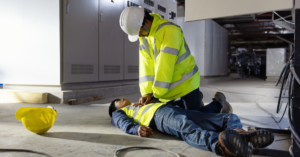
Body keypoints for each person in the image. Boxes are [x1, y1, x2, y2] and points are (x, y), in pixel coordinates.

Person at [119, 7, 233, 113]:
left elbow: (165, 65)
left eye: (139, 32)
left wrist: (155, 96)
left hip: (186, 82)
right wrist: (147, 93)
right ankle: (196, 100)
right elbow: (145, 67)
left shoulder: (170, 30)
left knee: (195, 118)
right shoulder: (144, 37)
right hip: (167, 88)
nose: (140, 36)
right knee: (172, 113)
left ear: (146, 23)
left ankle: (220, 104)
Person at [108, 93, 274, 157]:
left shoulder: (140, 103)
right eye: (119, 100)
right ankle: (220, 145)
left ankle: (240, 135)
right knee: (188, 129)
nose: (123, 99)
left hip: (173, 110)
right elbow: (120, 122)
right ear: (116, 106)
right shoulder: (122, 112)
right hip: (160, 117)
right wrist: (135, 128)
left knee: (226, 117)